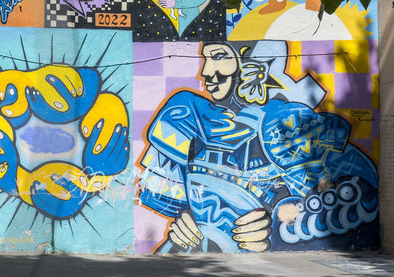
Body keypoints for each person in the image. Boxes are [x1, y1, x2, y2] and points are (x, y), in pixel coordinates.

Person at [138, 40, 378, 252]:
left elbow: (356, 197)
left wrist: (277, 227)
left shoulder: (286, 125)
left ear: (248, 62)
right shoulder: (186, 115)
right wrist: (184, 222)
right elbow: (172, 203)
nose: (206, 72)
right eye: (206, 59)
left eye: (219, 57)